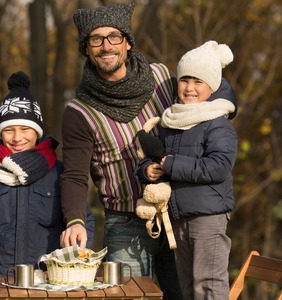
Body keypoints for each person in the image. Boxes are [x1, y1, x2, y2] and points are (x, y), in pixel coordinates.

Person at [59, 2, 236, 299]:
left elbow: (206, 87)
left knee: (188, 292)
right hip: (124, 222)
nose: (106, 46)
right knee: (128, 296)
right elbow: (75, 176)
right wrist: (75, 220)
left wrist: (225, 110)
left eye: (114, 36)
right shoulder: (78, 111)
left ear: (127, 43)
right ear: (86, 49)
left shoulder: (162, 78)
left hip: (178, 213)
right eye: (96, 39)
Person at [0, 71, 95, 277]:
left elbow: (85, 221)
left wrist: (71, 260)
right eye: (9, 130)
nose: (17, 138)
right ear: (0, 132)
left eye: (25, 129)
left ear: (37, 131)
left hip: (46, 280)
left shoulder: (58, 173)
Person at [137, 41, 237, 299]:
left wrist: (170, 164)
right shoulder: (172, 120)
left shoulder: (218, 124)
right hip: (178, 214)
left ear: (211, 86)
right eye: (184, 80)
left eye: (198, 82)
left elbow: (218, 167)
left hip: (207, 215)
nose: (190, 88)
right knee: (187, 285)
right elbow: (153, 157)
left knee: (208, 283)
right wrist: (147, 170)